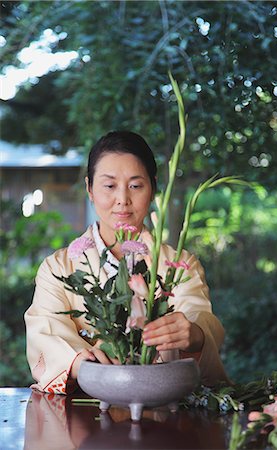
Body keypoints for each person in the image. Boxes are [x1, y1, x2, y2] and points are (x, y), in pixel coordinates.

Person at [25, 131, 229, 394]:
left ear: (153, 188)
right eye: (109, 186)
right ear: (89, 189)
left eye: (135, 185)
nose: (122, 199)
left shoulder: (178, 263)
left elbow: (198, 313)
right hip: (86, 414)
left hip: (165, 412)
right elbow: (45, 329)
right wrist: (78, 361)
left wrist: (195, 334)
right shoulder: (58, 268)